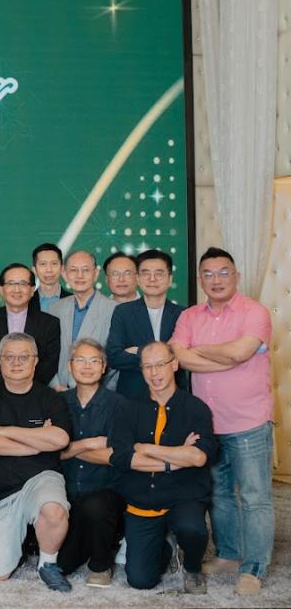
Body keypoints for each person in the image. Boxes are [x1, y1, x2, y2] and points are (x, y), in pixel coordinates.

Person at [169, 247, 273, 596]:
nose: (216, 280)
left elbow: (241, 352)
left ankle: (254, 567)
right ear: (200, 279)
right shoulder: (189, 316)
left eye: (224, 272)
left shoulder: (254, 312)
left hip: (248, 421)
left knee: (255, 496)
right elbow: (179, 357)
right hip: (208, 424)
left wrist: (202, 350)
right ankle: (229, 554)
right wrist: (226, 356)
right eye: (209, 273)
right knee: (219, 493)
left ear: (236, 276)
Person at [0, 332, 73, 592]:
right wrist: (37, 443)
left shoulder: (50, 398)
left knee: (53, 509)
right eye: (9, 357)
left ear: (35, 361)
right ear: (0, 361)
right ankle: (18, 541)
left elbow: (60, 438)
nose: (16, 363)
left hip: (40, 479)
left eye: (24, 357)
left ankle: (48, 564)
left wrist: (6, 431)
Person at [109, 341, 215, 593]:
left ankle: (192, 567)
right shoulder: (128, 407)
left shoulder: (196, 408)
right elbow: (124, 458)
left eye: (160, 364)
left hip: (183, 494)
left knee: (192, 528)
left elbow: (198, 458)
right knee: (140, 580)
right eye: (147, 366)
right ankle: (165, 545)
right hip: (143, 499)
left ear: (174, 364)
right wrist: (176, 459)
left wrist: (146, 448)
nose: (154, 373)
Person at [55, 339, 124, 588]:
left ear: (104, 367)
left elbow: (115, 455)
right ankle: (89, 542)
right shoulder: (58, 402)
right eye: (80, 360)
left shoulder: (118, 405)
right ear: (70, 366)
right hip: (67, 490)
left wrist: (70, 448)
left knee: (97, 506)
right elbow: (52, 451)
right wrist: (90, 443)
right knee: (62, 564)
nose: (87, 366)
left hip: (104, 489)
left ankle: (101, 564)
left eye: (94, 361)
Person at [107, 248, 184, 399]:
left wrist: (137, 351)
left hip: (174, 397)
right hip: (132, 397)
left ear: (170, 279)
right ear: (137, 278)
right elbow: (114, 357)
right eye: (146, 273)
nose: (152, 279)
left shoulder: (183, 314)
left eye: (159, 274)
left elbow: (183, 357)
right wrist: (164, 357)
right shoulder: (123, 312)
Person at [0, 263, 62, 388]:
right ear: (1, 289)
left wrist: (25, 383)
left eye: (23, 284)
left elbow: (50, 362)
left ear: (32, 290)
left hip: (35, 391)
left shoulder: (49, 323)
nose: (17, 289)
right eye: (11, 283)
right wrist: (9, 381)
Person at [49, 251, 118, 390]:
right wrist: (56, 385)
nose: (79, 276)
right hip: (59, 392)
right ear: (64, 274)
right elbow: (48, 353)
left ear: (96, 273)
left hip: (98, 394)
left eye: (85, 270)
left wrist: (98, 392)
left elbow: (115, 360)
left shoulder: (115, 310)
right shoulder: (55, 308)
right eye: (73, 270)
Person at [29, 243, 70, 313]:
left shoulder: (75, 301)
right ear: (34, 270)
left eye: (54, 264)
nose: (49, 270)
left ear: (62, 268)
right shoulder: (26, 303)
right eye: (43, 264)